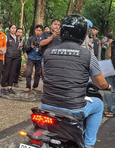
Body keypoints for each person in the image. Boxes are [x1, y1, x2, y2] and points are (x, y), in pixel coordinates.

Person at [41, 14, 109, 148]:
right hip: (73, 109)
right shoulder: (87, 55)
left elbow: (45, 74)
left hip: (45, 106)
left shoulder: (48, 52)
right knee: (99, 105)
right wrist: (108, 86)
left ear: (61, 32)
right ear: (84, 36)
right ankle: (88, 144)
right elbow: (100, 83)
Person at [1, 24, 20, 95]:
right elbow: (4, 47)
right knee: (6, 72)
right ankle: (3, 87)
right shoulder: (6, 37)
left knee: (13, 72)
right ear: (9, 29)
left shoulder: (17, 38)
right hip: (8, 56)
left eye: (15, 28)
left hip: (15, 57)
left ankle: (10, 87)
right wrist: (3, 57)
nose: (14, 29)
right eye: (12, 28)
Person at [24, 25, 43, 92]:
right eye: (37, 30)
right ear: (35, 31)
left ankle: (35, 86)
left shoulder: (43, 39)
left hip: (39, 57)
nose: (38, 32)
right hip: (31, 57)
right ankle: (28, 86)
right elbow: (26, 49)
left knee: (38, 73)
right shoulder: (30, 38)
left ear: (42, 31)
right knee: (29, 72)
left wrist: (40, 47)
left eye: (40, 30)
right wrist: (31, 47)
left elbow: (44, 49)